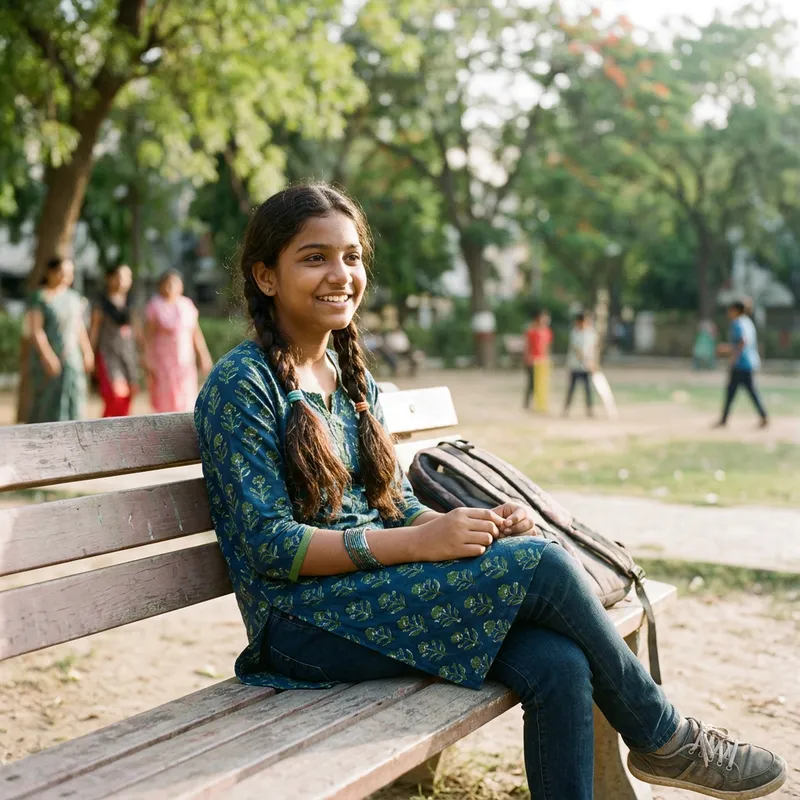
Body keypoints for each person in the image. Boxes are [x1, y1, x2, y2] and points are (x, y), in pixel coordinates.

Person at [194, 184, 786, 800]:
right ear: (266, 277)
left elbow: (393, 503)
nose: (340, 274)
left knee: (559, 665)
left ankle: (661, 744)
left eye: (351, 257)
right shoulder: (243, 385)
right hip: (299, 628)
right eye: (314, 258)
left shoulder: (351, 377)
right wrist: (419, 544)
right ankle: (667, 740)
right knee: (543, 563)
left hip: (370, 599)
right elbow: (270, 547)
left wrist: (469, 523)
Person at [26, 257, 94, 423]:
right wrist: (47, 356)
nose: (65, 277)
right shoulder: (40, 297)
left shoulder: (74, 298)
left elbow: (79, 328)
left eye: (69, 274)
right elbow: (36, 330)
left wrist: (87, 351)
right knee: (48, 404)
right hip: (49, 359)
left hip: (72, 358)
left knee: (74, 400)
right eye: (61, 272)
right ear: (50, 272)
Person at [144, 269, 212, 413]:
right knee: (166, 396)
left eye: (174, 283)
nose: (171, 286)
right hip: (163, 361)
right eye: (167, 283)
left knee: (186, 394)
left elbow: (196, 334)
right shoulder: (155, 306)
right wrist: (148, 360)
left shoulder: (187, 305)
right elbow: (148, 337)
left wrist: (203, 355)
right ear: (161, 285)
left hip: (185, 360)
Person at [89, 264, 140, 418]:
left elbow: (137, 332)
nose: (123, 281)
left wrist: (143, 354)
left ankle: (121, 437)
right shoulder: (101, 305)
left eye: (127, 277)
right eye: (119, 276)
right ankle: (104, 433)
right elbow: (94, 331)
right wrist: (90, 356)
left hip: (128, 355)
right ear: (109, 278)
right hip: (108, 355)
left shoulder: (131, 303)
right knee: (115, 397)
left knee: (129, 396)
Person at [715, 300, 768, 429]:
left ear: (735, 310)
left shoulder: (738, 323)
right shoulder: (748, 322)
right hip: (749, 362)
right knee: (744, 391)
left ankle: (724, 419)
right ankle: (763, 416)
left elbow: (742, 341)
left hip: (741, 363)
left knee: (734, 391)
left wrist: (731, 352)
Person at [563, 311, 596, 417]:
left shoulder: (591, 333)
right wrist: (586, 360)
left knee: (588, 389)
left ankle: (589, 410)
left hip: (587, 367)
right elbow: (577, 350)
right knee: (571, 388)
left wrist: (592, 362)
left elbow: (593, 349)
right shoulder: (575, 333)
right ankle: (566, 409)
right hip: (576, 366)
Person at [523, 309, 552, 411]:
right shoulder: (532, 330)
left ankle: (540, 403)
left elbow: (547, 346)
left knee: (541, 383)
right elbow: (527, 345)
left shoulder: (547, 331)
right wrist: (528, 357)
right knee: (532, 383)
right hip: (532, 360)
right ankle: (528, 403)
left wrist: (546, 358)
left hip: (542, 361)